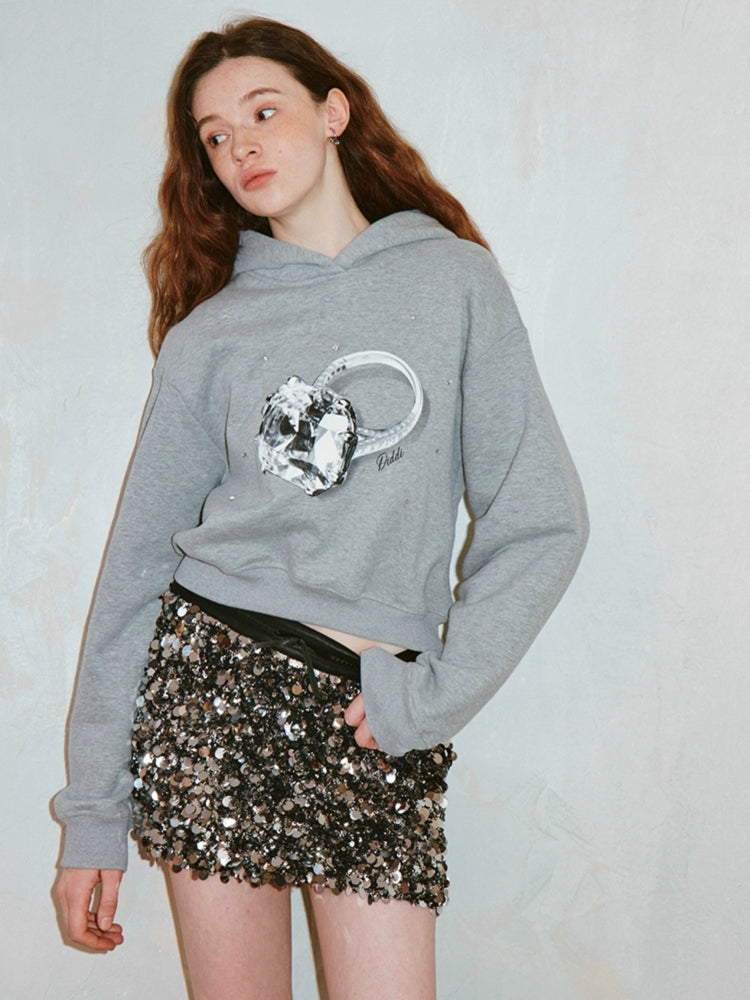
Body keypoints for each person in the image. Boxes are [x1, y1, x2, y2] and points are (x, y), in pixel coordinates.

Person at [53, 16, 588, 1000]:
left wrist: (429, 698)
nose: (241, 147)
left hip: (375, 711)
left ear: (333, 112)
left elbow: (541, 519)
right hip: (212, 695)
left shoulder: (454, 281)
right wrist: (93, 818)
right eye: (216, 135)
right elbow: (132, 577)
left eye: (264, 112)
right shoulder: (210, 336)